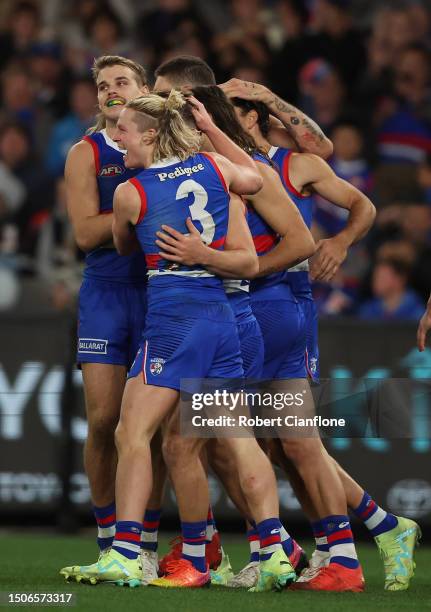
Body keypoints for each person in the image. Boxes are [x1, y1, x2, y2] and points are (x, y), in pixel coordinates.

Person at [69, 90, 299, 592]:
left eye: (125, 130)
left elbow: (125, 243)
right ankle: (275, 551)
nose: (118, 138)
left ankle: (126, 552)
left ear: (150, 134)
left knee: (132, 433)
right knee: (239, 440)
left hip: (174, 318)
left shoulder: (132, 191)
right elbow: (257, 179)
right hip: (222, 316)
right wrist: (214, 131)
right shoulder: (214, 166)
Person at [228, 95, 420, 592]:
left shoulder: (295, 164)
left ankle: (304, 551)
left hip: (280, 304)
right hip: (242, 305)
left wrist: (340, 242)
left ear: (253, 118)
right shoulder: (220, 163)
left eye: (226, 108)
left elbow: (362, 203)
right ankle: (372, 529)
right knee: (273, 442)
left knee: (276, 439)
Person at [60, 55, 149, 580]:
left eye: (122, 81)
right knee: (103, 420)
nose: (112, 90)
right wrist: (136, 208)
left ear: (142, 89)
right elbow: (84, 234)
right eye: (102, 85)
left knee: (154, 429)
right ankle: (107, 536)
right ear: (96, 99)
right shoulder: (85, 152)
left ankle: (147, 543)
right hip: (108, 293)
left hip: (161, 292)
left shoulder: (165, 147)